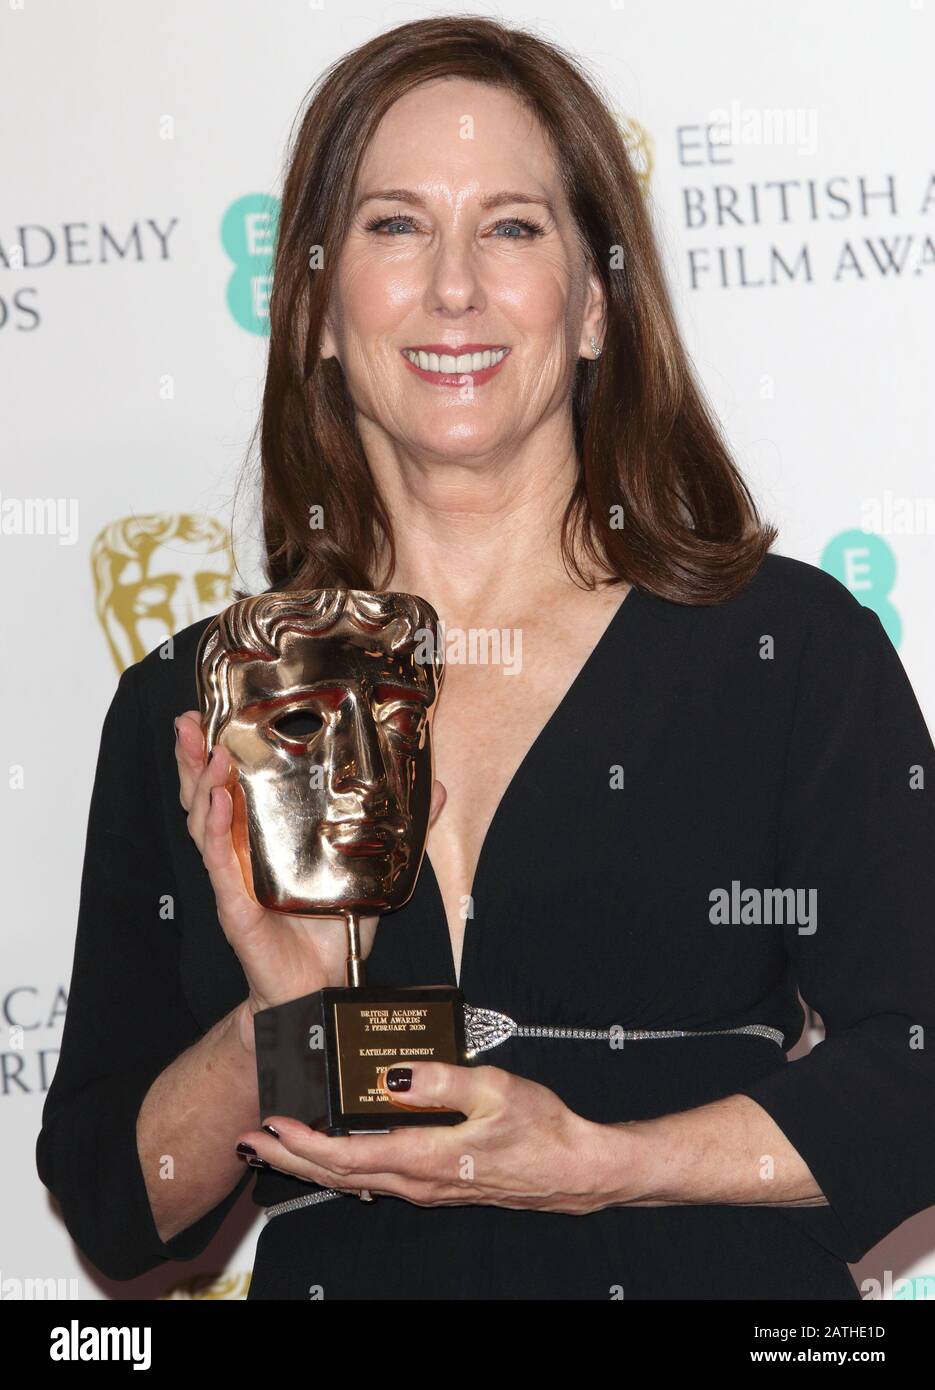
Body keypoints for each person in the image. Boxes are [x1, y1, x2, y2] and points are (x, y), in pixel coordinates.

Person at [37, 16, 935, 1300]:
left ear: (590, 305)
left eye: (511, 227)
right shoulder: (201, 700)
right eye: (394, 225)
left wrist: (603, 1161)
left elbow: (915, 1069)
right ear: (315, 310)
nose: (451, 285)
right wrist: (284, 1027)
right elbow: (118, 1209)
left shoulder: (786, 655)